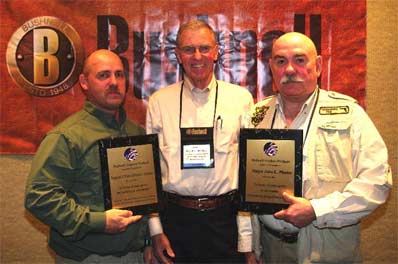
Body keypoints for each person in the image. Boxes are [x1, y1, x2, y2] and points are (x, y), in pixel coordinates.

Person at [247, 32, 392, 263]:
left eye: (300, 60)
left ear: (319, 66)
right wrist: (248, 246)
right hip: (270, 247)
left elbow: (376, 183)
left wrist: (316, 210)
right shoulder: (255, 116)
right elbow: (245, 190)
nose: (290, 70)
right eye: (281, 61)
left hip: (327, 247)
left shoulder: (350, 113)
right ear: (271, 67)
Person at [25, 49, 151, 263]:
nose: (113, 82)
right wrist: (98, 221)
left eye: (119, 75)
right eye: (103, 75)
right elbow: (39, 197)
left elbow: (145, 197)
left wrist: (149, 239)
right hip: (87, 257)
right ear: (84, 82)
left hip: (135, 255)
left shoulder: (136, 133)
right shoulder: (67, 136)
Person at [146, 20, 255, 263]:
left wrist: (246, 242)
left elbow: (250, 174)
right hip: (175, 221)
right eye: (188, 49)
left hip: (225, 221)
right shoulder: (159, 102)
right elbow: (149, 173)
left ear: (216, 52)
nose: (197, 56)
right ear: (178, 55)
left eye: (204, 48)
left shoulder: (241, 100)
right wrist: (155, 231)